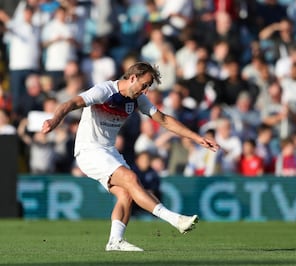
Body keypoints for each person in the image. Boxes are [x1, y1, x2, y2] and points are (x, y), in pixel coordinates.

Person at [41, 62, 219, 252]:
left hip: (108, 151)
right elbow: (71, 103)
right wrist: (54, 120)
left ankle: (115, 241)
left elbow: (164, 120)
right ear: (133, 78)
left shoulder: (137, 99)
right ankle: (176, 220)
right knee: (131, 178)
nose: (145, 91)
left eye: (148, 87)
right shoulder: (104, 91)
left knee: (126, 193)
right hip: (89, 150)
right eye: (144, 85)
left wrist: (197, 138)